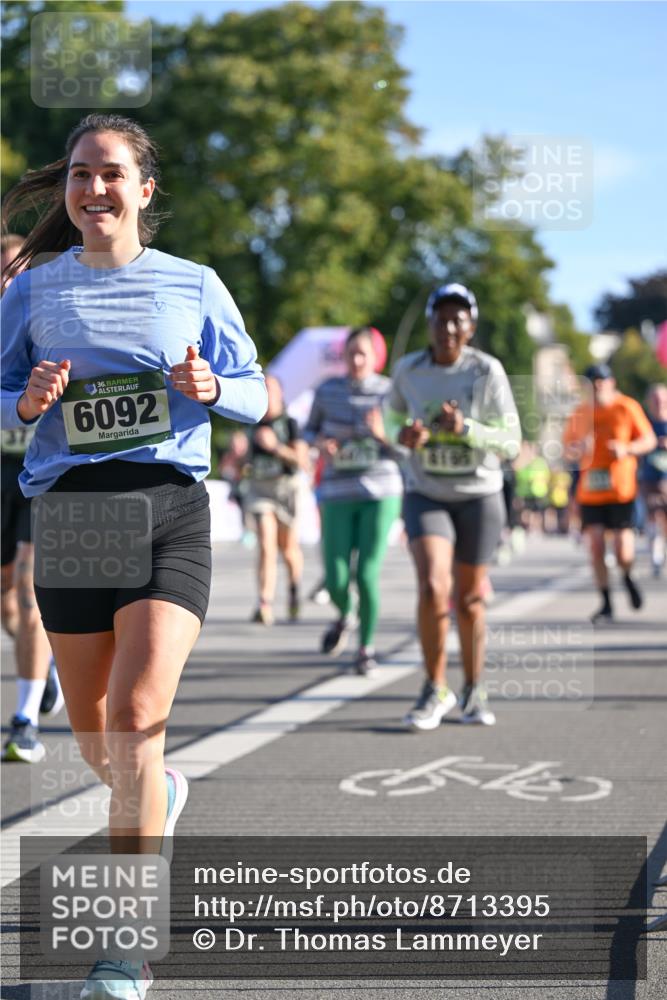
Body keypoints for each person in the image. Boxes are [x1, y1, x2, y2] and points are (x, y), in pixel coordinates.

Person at [1, 114, 267, 1000]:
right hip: (72, 518)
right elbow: (0, 403)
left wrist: (214, 389)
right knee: (101, 744)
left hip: (166, 507)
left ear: (144, 191)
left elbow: (258, 394)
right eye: (79, 174)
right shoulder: (32, 291)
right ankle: (159, 791)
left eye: (111, 174)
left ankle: (122, 949)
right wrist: (27, 405)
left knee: (136, 712)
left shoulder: (193, 283)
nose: (92, 189)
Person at [385, 283, 521, 729]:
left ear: (471, 327)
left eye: (458, 319)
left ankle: (474, 687)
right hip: (427, 493)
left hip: (479, 495)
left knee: (468, 599)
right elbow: (389, 423)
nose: (448, 327)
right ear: (430, 323)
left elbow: (511, 442)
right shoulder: (408, 369)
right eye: (441, 318)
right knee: (432, 586)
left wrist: (467, 429)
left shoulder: (487, 371)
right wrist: (405, 435)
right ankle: (434, 686)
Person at [304, 327, 403, 675]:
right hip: (336, 491)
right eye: (351, 353)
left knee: (368, 573)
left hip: (380, 490)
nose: (357, 360)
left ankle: (366, 647)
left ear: (376, 356)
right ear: (343, 357)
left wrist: (381, 434)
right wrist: (321, 445)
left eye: (363, 353)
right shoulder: (327, 390)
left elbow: (406, 446)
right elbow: (308, 431)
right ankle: (345, 614)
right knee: (335, 578)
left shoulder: (390, 391)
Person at [1, 234, 63, 764]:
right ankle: (48, 664)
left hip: (38, 477)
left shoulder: (52, 323)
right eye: (2, 270)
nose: (8, 279)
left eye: (16, 271)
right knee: (9, 605)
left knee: (28, 589)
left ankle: (24, 722)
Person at [562, 364, 656, 622]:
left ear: (612, 382)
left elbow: (648, 440)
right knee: (595, 548)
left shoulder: (627, 407)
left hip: (621, 491)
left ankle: (627, 576)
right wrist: (579, 449)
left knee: (624, 550)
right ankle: (606, 603)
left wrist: (627, 448)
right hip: (591, 492)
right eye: (592, 381)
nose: (597, 385)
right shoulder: (580, 413)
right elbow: (566, 450)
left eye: (602, 380)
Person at [243, 374, 308, 624]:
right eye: (263, 390)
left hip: (286, 489)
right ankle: (264, 602)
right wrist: (239, 457)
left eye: (271, 390)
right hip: (260, 490)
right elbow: (245, 462)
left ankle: (293, 589)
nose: (267, 396)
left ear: (281, 394)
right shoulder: (252, 423)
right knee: (266, 544)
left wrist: (275, 447)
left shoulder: (290, 423)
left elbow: (301, 460)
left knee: (289, 550)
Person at [641, 383, 667, 576]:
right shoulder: (645, 423)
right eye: (655, 399)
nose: (659, 403)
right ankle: (655, 554)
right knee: (652, 517)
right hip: (649, 478)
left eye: (662, 399)